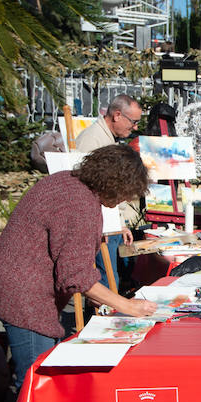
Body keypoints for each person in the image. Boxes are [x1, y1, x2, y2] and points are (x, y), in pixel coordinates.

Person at [0, 144, 158, 393]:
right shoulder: (80, 203)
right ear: (116, 183)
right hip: (24, 297)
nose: (124, 200)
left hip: (13, 283)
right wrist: (126, 305)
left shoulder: (67, 181)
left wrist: (102, 298)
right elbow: (75, 275)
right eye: (126, 193)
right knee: (35, 383)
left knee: (35, 374)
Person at [74, 94, 144, 291]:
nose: (135, 127)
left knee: (111, 279)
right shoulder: (93, 139)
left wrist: (119, 224)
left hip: (107, 223)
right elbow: (89, 189)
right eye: (133, 122)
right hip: (99, 225)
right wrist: (112, 225)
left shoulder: (107, 139)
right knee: (106, 281)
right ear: (117, 115)